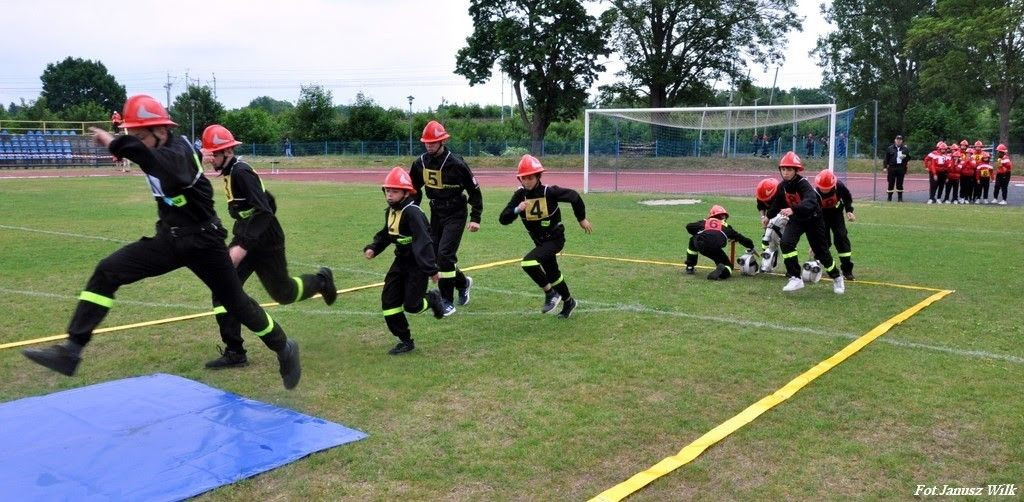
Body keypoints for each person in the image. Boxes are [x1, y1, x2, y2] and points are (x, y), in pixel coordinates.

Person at [21, 95, 301, 389]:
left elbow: (158, 164)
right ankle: (71, 351)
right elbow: (143, 155)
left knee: (236, 303)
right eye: (135, 135)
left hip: (204, 241)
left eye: (142, 135)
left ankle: (284, 347)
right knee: (107, 271)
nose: (138, 141)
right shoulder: (150, 148)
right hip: (169, 239)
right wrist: (122, 138)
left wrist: (116, 143)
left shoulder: (179, 153)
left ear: (162, 131)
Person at [199, 124, 337, 369]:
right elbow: (267, 201)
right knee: (222, 288)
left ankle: (321, 281)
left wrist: (243, 247)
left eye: (213, 154)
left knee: (282, 294)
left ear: (227, 152)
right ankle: (235, 352)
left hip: (266, 239)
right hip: (247, 235)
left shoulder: (241, 172)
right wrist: (241, 239)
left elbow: (264, 211)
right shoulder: (230, 171)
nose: (211, 160)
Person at [364, 167, 446, 355]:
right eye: (388, 191)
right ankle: (405, 340)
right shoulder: (391, 211)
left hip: (417, 265)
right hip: (400, 262)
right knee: (389, 302)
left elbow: (424, 242)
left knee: (412, 305)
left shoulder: (413, 212)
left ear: (406, 192)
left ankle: (432, 298)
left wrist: (431, 269)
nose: (390, 195)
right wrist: (374, 248)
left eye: (394, 191)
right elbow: (387, 233)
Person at [499, 154, 592, 318]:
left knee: (528, 263)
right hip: (540, 242)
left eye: (530, 178)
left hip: (555, 239)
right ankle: (569, 302)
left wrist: (581, 218)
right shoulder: (520, 196)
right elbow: (503, 219)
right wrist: (517, 209)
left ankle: (551, 294)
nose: (526, 181)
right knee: (553, 275)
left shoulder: (549, 191)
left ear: (538, 176)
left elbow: (574, 196)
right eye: (523, 178)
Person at [409, 120, 483, 315]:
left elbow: (474, 190)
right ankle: (463, 282)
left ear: (442, 141)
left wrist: (476, 217)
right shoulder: (420, 163)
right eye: (426, 142)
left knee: (444, 256)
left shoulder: (456, 163)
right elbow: (413, 190)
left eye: (433, 142)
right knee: (437, 256)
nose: (429, 145)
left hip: (456, 212)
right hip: (436, 213)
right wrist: (411, 211)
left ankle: (446, 300)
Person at [764, 151, 845, 294]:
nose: (786, 172)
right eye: (783, 169)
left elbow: (811, 201)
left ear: (796, 170)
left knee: (821, 252)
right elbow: (777, 203)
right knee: (786, 243)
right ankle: (795, 277)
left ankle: (837, 277)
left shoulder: (803, 184)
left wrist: (793, 209)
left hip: (813, 219)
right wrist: (768, 216)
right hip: (797, 220)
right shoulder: (782, 186)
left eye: (789, 169)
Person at [683, 205, 755, 280]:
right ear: (723, 217)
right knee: (728, 266)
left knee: (692, 240)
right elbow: (742, 238)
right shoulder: (727, 227)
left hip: (701, 244)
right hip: (715, 248)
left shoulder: (704, 222)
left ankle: (690, 266)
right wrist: (751, 246)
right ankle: (722, 272)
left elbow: (689, 226)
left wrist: (698, 232)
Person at [813, 170, 857, 279]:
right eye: (821, 187)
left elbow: (847, 197)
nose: (824, 189)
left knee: (841, 238)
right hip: (821, 216)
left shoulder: (839, 186)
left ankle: (847, 270)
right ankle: (817, 266)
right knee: (823, 241)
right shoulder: (814, 192)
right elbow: (812, 209)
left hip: (836, 214)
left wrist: (849, 210)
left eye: (826, 187)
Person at [883, 135, 910, 201]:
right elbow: (886, 158)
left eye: (900, 140)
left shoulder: (905, 149)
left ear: (902, 141)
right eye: (897, 139)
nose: (898, 141)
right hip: (892, 168)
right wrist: (885, 167)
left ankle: (900, 198)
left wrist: (905, 156)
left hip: (901, 168)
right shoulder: (890, 148)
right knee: (891, 183)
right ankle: (889, 198)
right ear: (895, 140)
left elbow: (909, 158)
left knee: (900, 183)